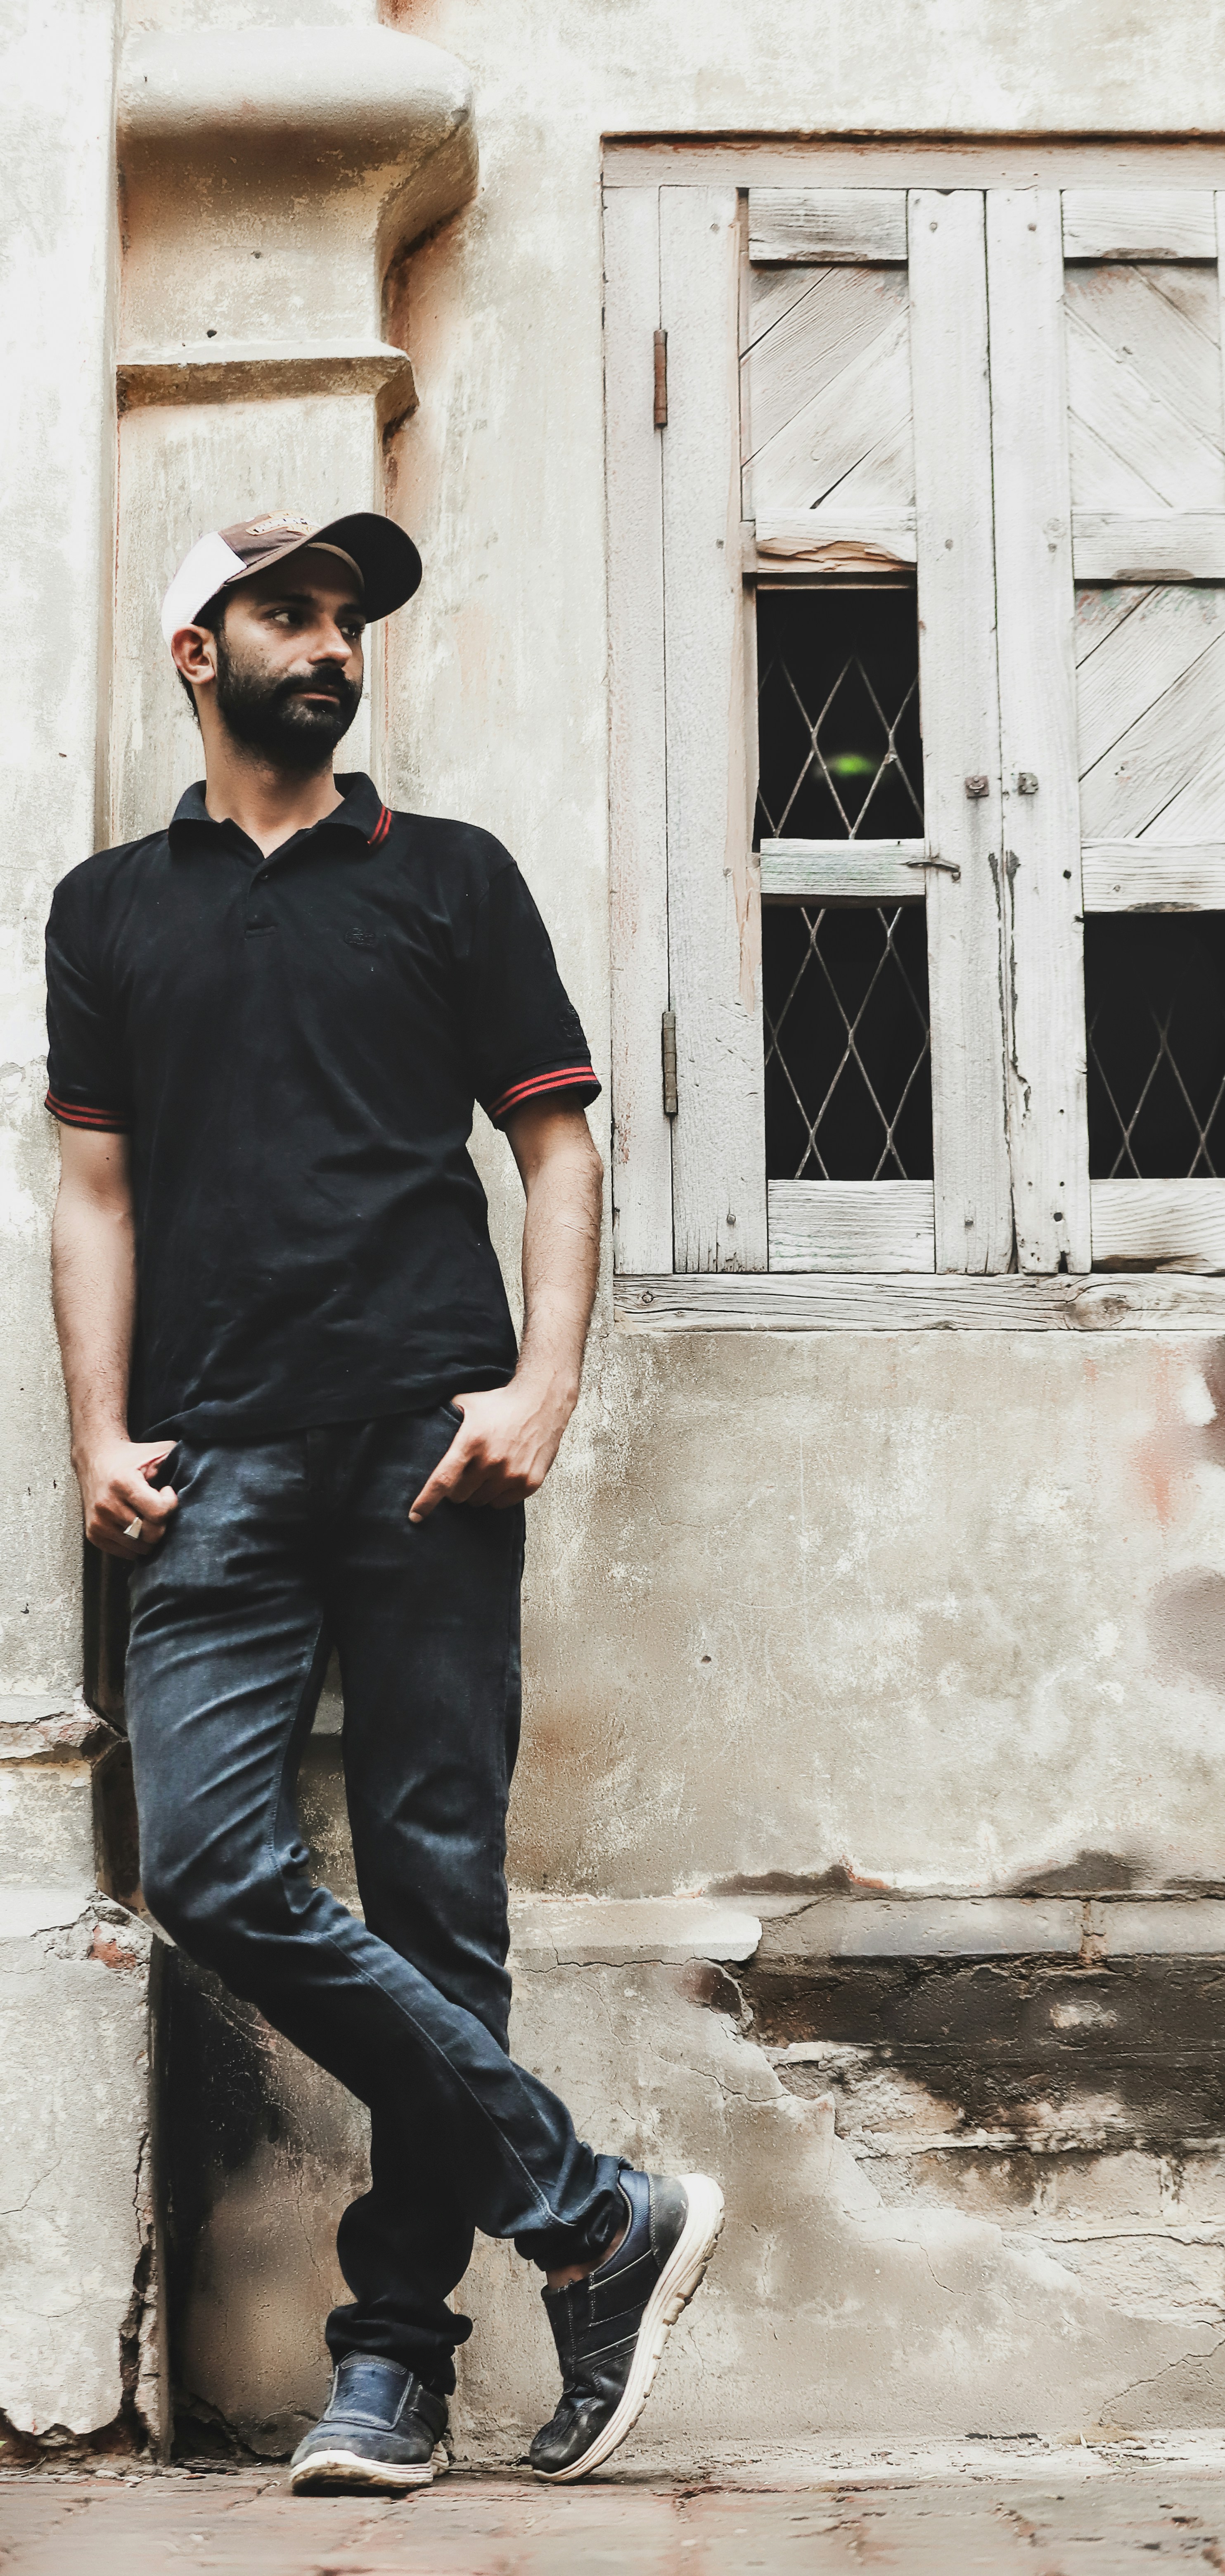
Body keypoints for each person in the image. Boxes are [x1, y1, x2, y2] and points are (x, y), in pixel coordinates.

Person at [45, 508, 722, 2496]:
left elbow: (560, 1149)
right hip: (214, 1457)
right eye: (286, 611)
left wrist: (543, 1384)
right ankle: (595, 2212)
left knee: (440, 1903)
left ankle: (399, 2364)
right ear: (199, 650)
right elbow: (93, 1188)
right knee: (213, 1866)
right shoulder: (108, 911)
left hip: (430, 1446)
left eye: (346, 618)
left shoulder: (450, 879)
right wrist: (99, 1428)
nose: (328, 644)